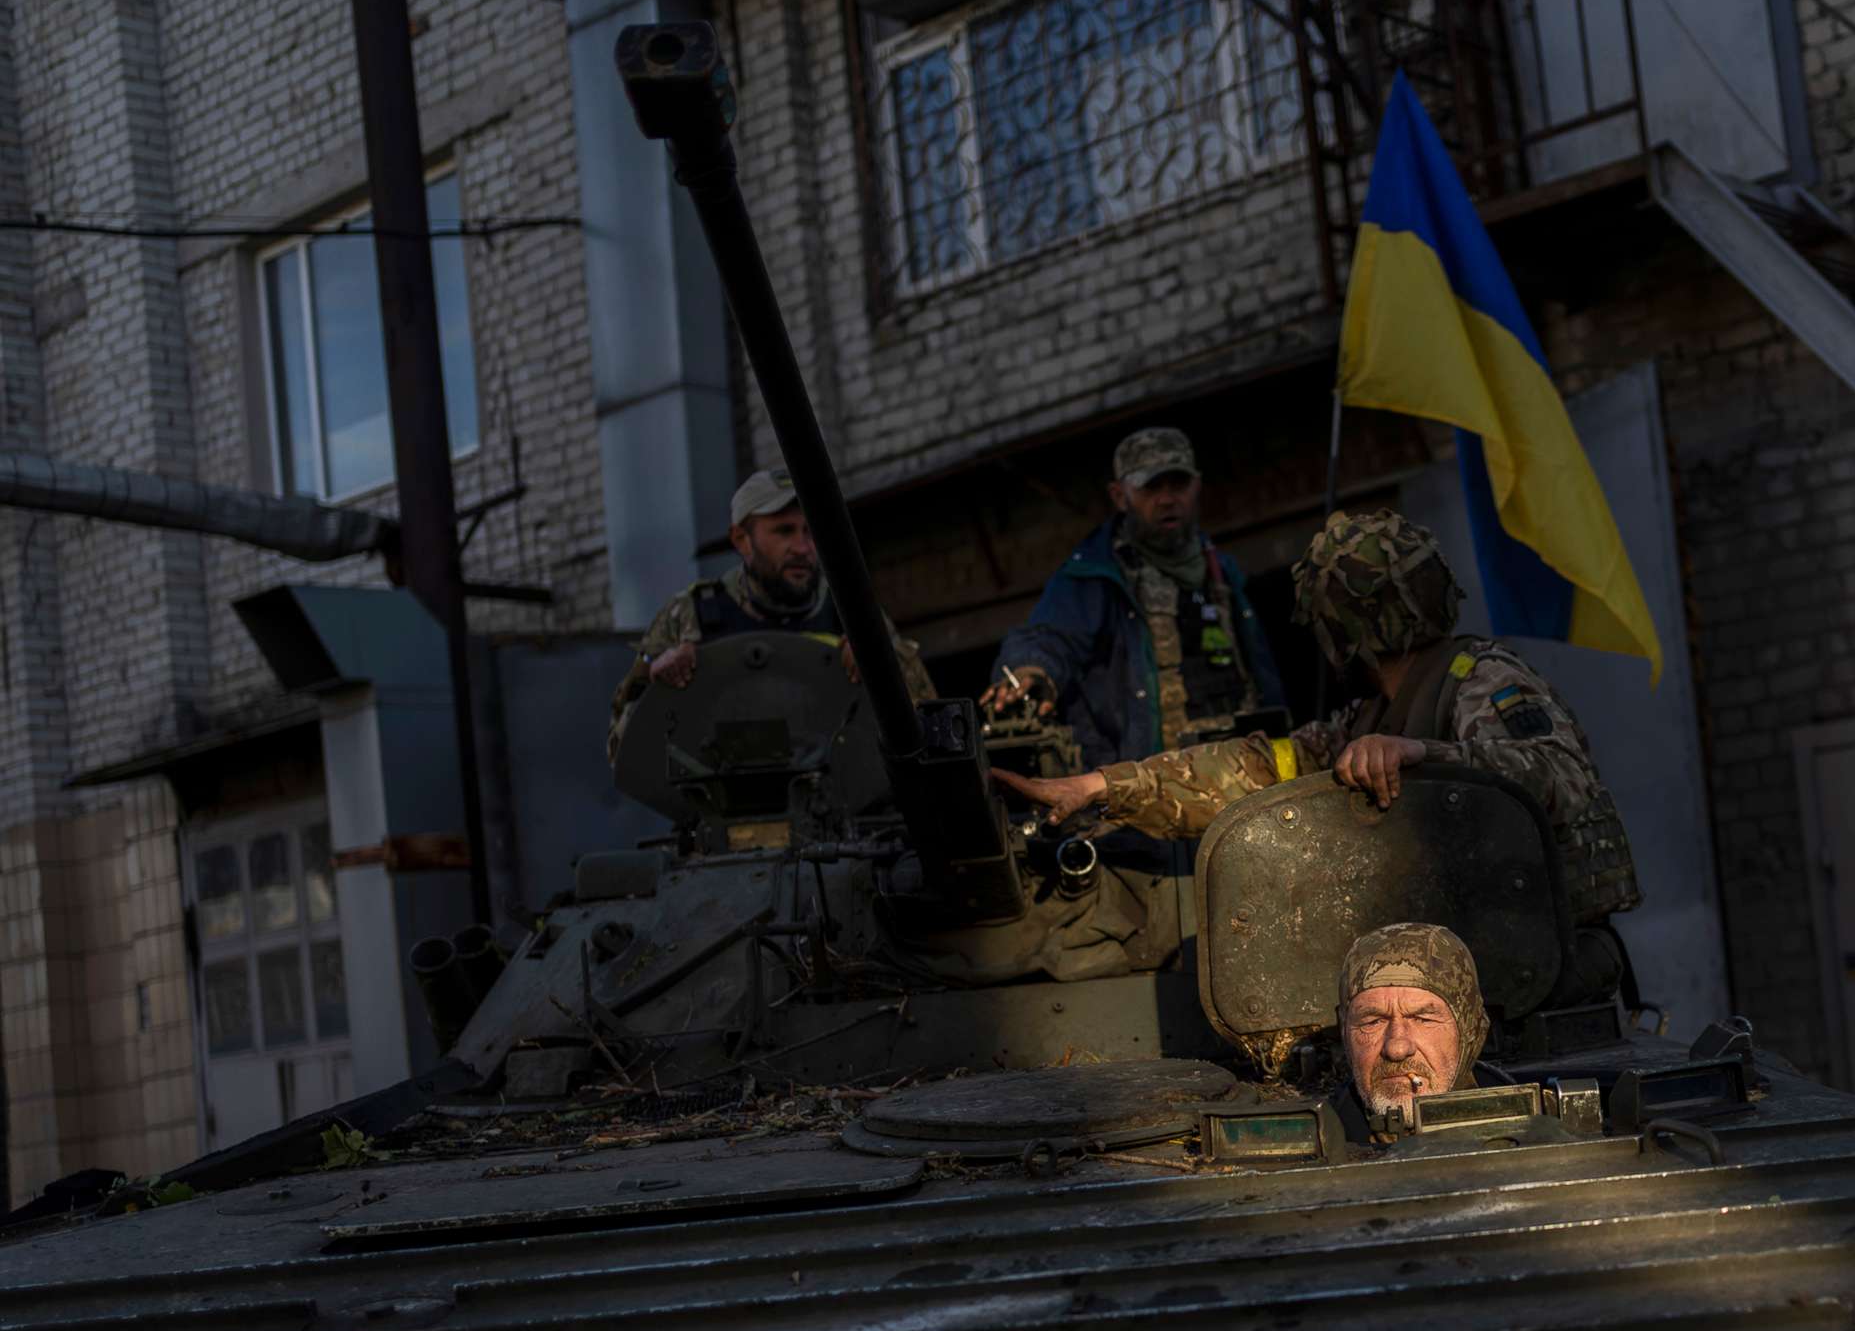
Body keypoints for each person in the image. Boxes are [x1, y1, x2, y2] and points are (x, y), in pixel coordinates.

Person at [992, 508, 1640, 1005]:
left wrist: (1421, 752)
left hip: (1539, 967)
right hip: (1445, 969)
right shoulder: (1360, 722)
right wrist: (1100, 787)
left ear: (1341, 627)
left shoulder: (1478, 678)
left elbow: (1561, 773)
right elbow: (1246, 771)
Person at [980, 427, 1283, 767]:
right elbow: (1049, 636)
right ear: (1120, 495)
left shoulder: (1224, 571)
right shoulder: (1096, 575)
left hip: (1243, 768)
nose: (1167, 499)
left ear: (1197, 485)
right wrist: (1032, 670)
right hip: (1155, 786)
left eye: (1178, 485)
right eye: (1151, 487)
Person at [607, 468, 934, 765]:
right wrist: (660, 684)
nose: (802, 547)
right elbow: (623, 749)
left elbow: (927, 725)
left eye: (809, 531)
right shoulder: (689, 615)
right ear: (741, 540)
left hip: (841, 809)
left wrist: (884, 673)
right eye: (784, 531)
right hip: (722, 810)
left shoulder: (853, 612)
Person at [1336, 922, 1487, 1140]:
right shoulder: (1323, 1139)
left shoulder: (1532, 1129)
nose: (1397, 1048)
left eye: (1423, 1019)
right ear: (1345, 1035)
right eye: (1372, 1022)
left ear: (1470, 1031)